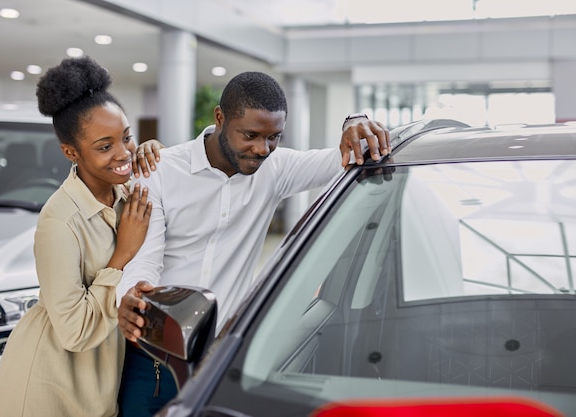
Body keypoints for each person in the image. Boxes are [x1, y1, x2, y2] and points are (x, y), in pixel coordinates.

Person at [115, 71, 390, 416]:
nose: (262, 149)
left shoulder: (275, 168)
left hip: (224, 360)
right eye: (251, 135)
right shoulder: (160, 170)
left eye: (274, 137)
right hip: (154, 357)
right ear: (220, 118)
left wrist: (357, 120)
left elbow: (360, 152)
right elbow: (144, 259)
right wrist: (130, 292)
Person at [0, 56, 159, 417]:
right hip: (51, 380)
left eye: (126, 137)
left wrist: (153, 154)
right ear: (71, 152)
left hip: (103, 375)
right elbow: (74, 331)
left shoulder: (126, 191)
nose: (122, 153)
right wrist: (122, 255)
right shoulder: (59, 221)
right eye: (104, 146)